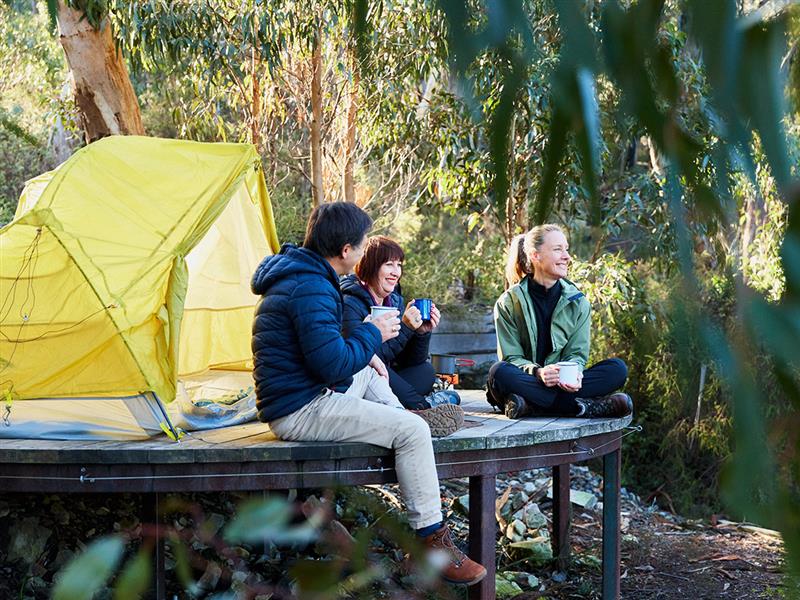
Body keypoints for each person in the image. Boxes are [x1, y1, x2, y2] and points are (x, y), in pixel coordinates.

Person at [251, 202, 486, 586]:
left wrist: (368, 352)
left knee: (375, 374)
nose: (362, 254)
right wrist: (372, 332)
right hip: (300, 408)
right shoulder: (310, 286)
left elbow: (326, 354)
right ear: (346, 250)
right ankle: (432, 543)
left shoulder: (304, 277)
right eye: (361, 246)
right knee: (411, 433)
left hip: (306, 392)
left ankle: (407, 421)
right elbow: (331, 364)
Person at [486, 224, 633, 420]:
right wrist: (538, 373)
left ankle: (531, 406)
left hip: (561, 386)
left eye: (567, 249)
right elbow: (511, 358)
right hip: (529, 380)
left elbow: (577, 354)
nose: (567, 257)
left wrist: (575, 373)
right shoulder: (509, 302)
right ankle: (581, 407)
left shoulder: (578, 302)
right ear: (535, 255)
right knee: (499, 373)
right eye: (558, 249)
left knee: (617, 369)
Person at [340, 235, 461, 414]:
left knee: (425, 370)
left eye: (399, 265)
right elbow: (366, 356)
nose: (396, 272)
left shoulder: (394, 301)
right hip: (362, 376)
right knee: (375, 368)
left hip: (388, 375)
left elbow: (408, 360)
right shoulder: (350, 303)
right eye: (389, 264)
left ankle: (414, 404)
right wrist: (405, 328)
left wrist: (420, 333)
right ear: (371, 265)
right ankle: (423, 407)